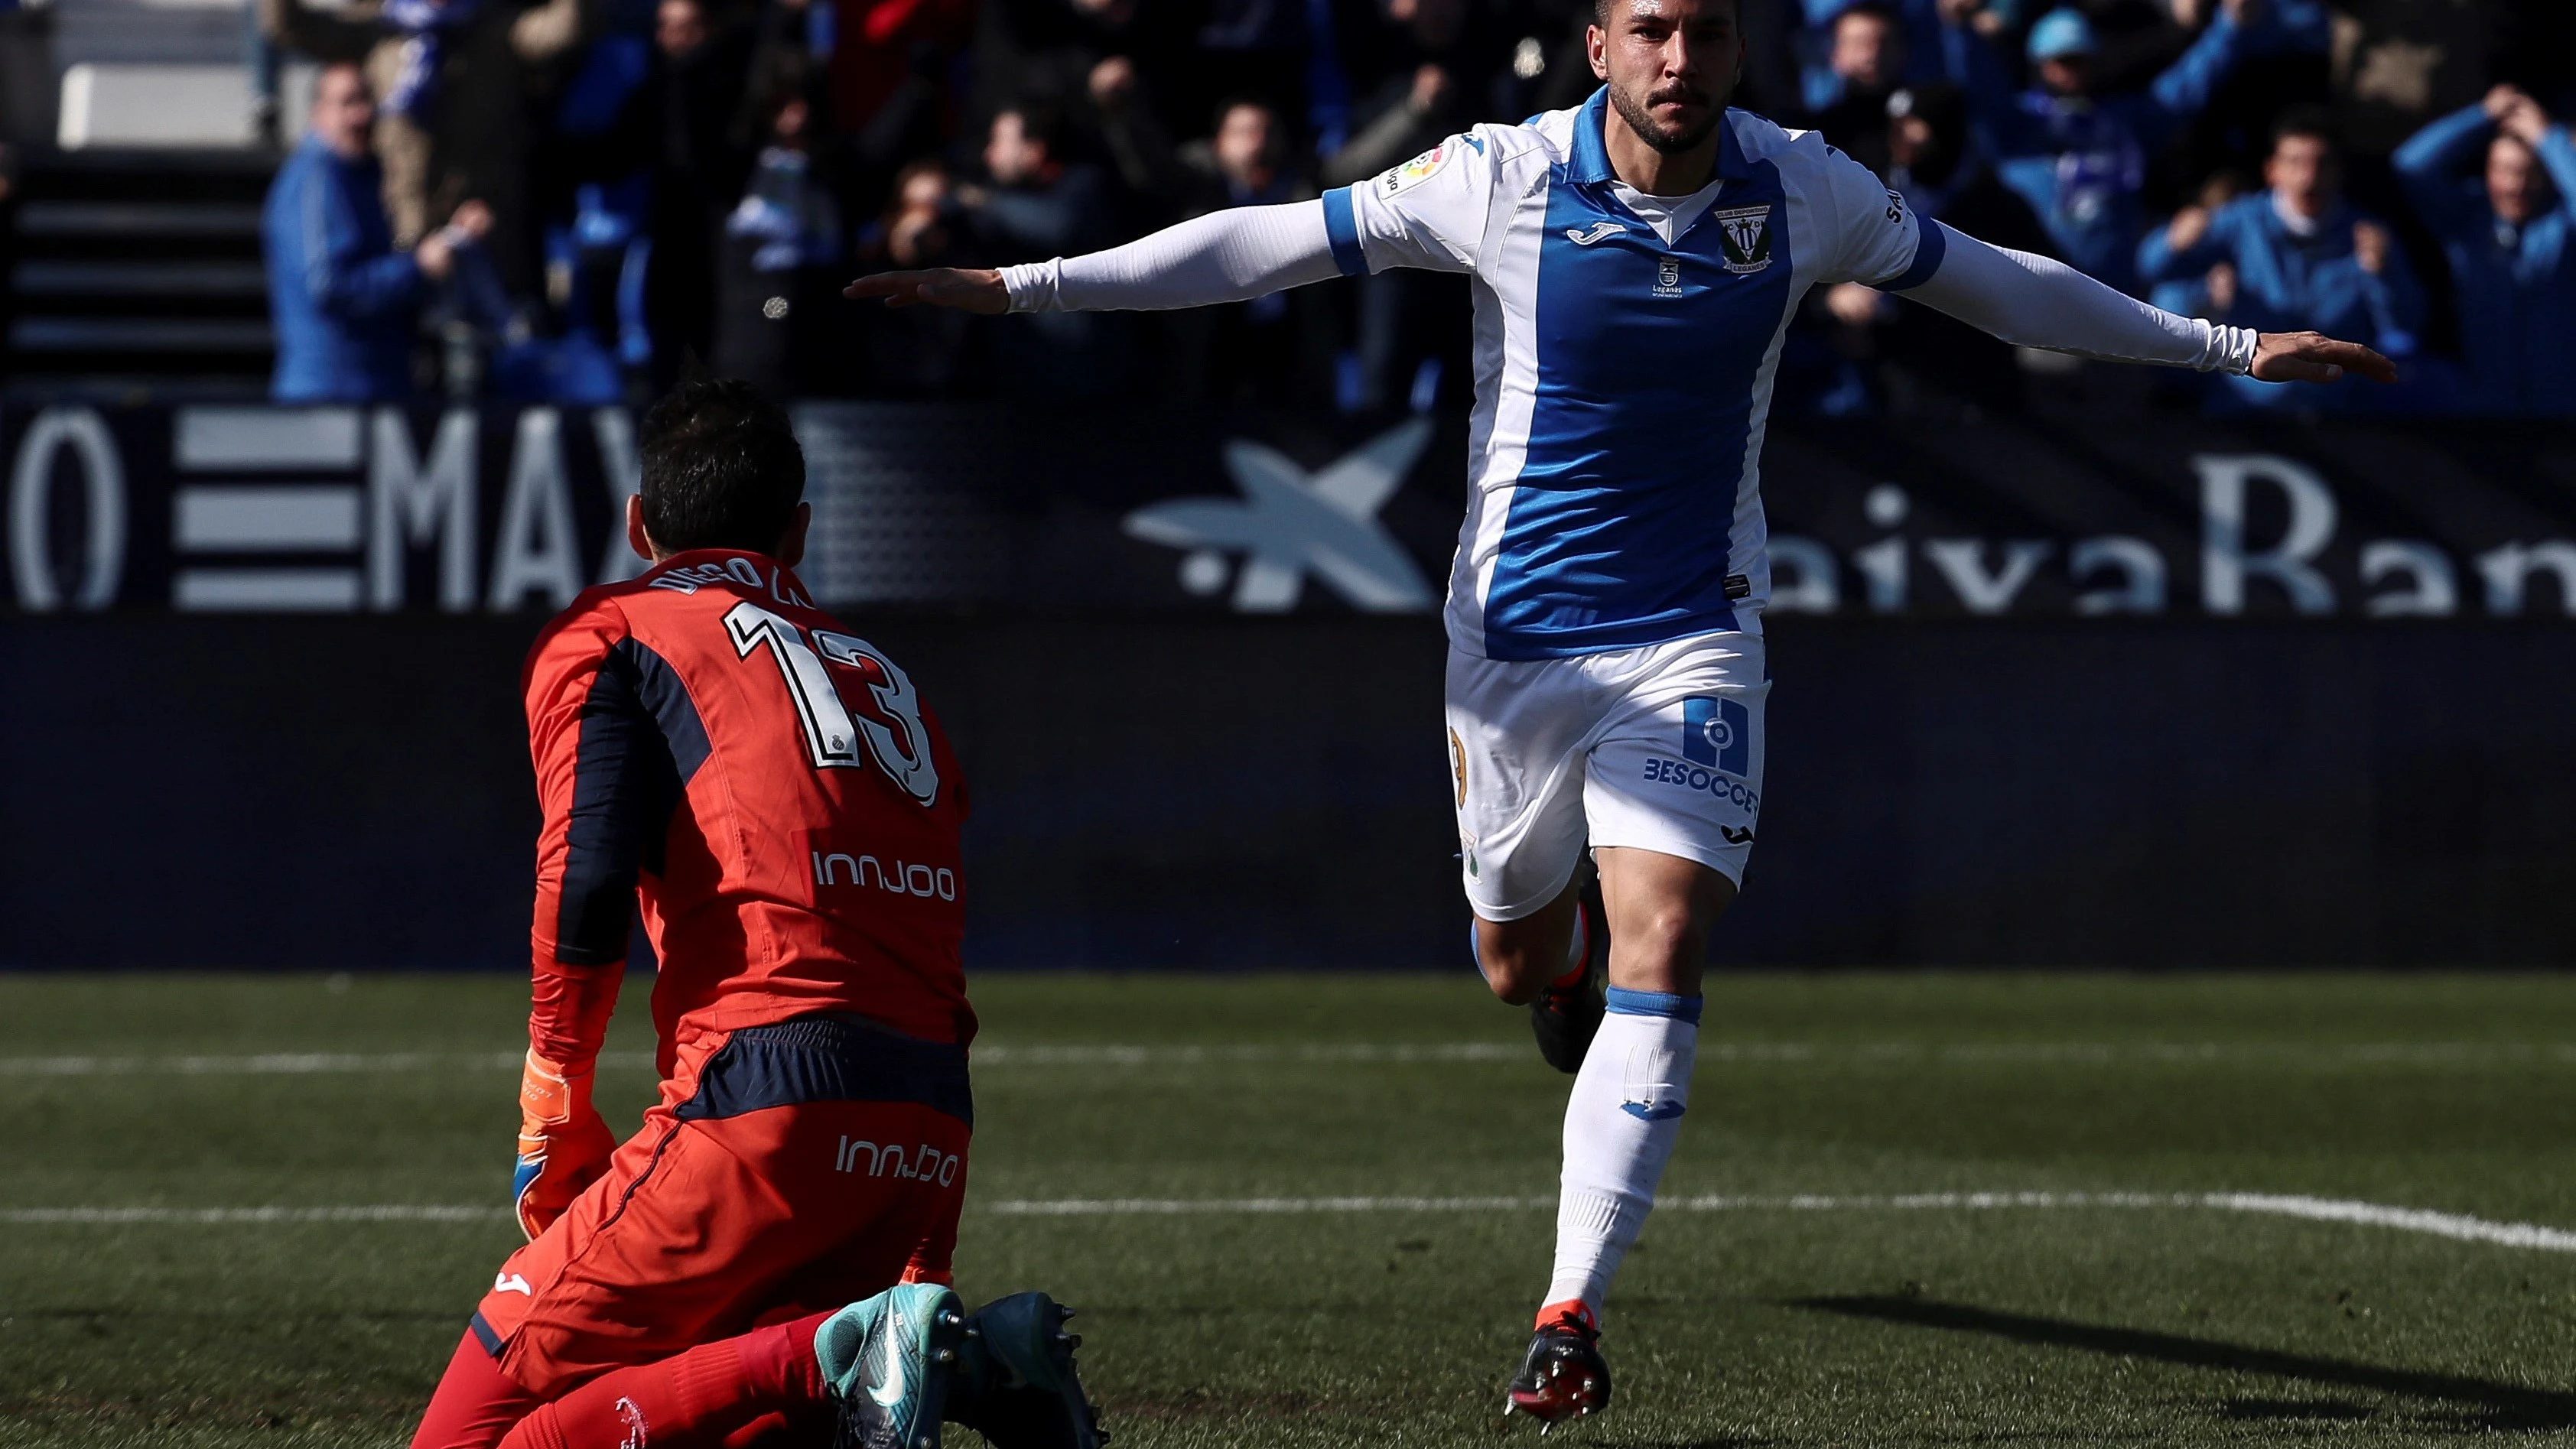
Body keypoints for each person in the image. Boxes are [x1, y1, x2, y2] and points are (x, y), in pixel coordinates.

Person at [849, 0, 2389, 1421]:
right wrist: (1021, 284)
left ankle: (1566, 1309)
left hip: (1691, 634)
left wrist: (2230, 346)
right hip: (1512, 647)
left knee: (1668, 938)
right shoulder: (1497, 179)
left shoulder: (1803, 188)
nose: (1679, 59)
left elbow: (1996, 285)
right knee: (1516, 949)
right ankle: (1554, 979)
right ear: (1596, 48)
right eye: (1649, 29)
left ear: (1734, 52)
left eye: (1705, 30)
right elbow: (1265, 247)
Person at [405, 378, 1104, 1449]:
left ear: (640, 524)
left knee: (465, 1439)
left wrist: (552, 1098)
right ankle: (926, 1358)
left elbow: (585, 878)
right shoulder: (891, 680)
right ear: (799, 533)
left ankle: (850, 1350)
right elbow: (934, 953)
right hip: (922, 1118)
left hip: (764, 1102)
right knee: (728, 1424)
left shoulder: (614, 627)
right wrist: (928, 1251)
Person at [2138, 108, 2424, 411]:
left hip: (2338, 407)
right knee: (2172, 302)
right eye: (2295, 162)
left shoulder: (2366, 235)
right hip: (2247, 401)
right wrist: (2173, 243)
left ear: (2340, 172)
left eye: (2322, 163)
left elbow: (2406, 326)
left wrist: (2384, 275)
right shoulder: (2243, 222)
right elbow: (2155, 269)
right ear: (2272, 170)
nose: (2308, 176)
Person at [1962, 2, 2259, 291]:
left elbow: (2186, 86)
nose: (2073, 72)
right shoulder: (2018, 124)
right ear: (2040, 65)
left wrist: (2230, 27)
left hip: (2116, 297)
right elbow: (1982, 88)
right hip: (2035, 298)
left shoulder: (2122, 122)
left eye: (2081, 60)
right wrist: (1961, 29)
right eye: (2063, 61)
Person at [264, 61, 490, 401]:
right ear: (318, 113)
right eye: (347, 103)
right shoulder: (317, 178)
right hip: (330, 397)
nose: (361, 114)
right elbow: (330, 286)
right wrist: (417, 267)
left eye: (367, 100)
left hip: (378, 390)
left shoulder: (364, 174)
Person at [2390, 84, 2576, 417]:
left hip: (2561, 410)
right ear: (2487, 171)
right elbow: (2410, 166)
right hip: (2484, 411)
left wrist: (2548, 137)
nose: (2515, 185)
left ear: (2548, 175)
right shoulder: (2468, 217)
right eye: (2504, 171)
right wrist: (2482, 115)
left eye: (2528, 173)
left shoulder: (2563, 222)